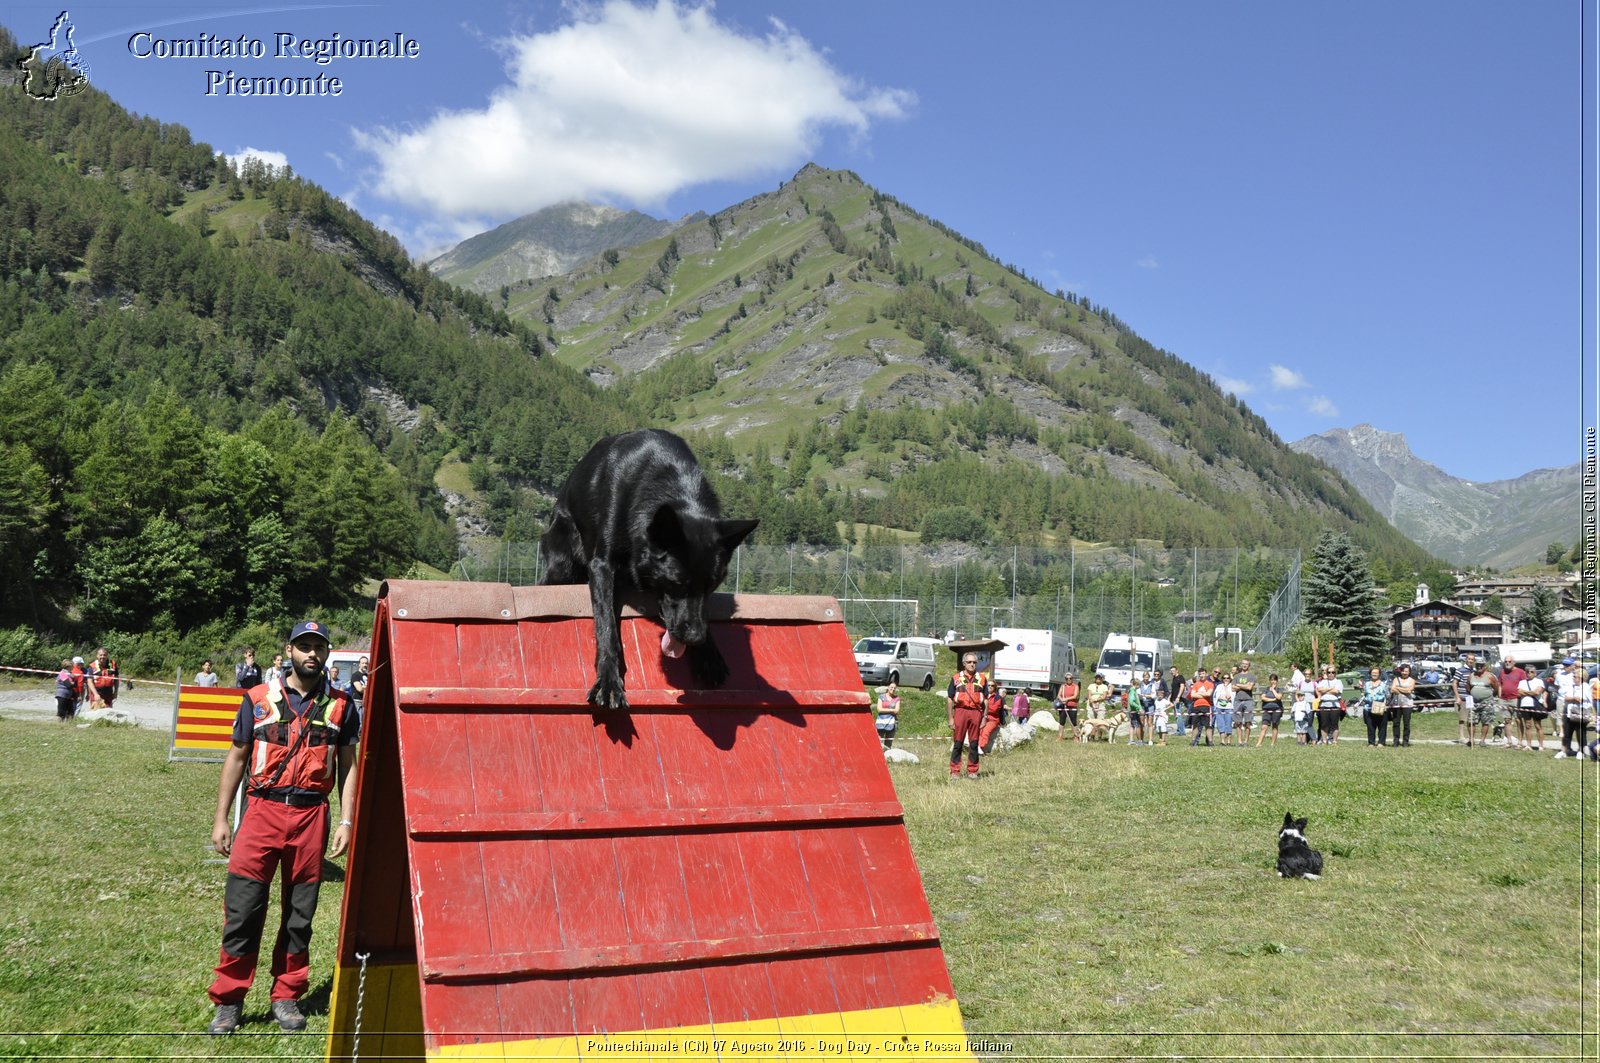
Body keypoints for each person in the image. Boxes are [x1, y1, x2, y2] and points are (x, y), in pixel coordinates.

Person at [206, 620, 359, 1036]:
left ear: (326, 653)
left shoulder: (343, 706)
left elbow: (348, 767)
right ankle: (229, 999)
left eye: (319, 647)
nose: (312, 653)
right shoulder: (258, 699)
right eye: (304, 646)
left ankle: (286, 995)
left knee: (299, 915)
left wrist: (346, 820)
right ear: (289, 651)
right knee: (242, 911)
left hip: (312, 816)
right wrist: (222, 818)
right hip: (261, 813)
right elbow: (236, 759)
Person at [946, 652, 988, 780]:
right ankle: (955, 771)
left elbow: (986, 699)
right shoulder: (956, 678)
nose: (972, 664)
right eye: (969, 662)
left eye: (974, 662)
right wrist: (950, 718)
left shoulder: (982, 678)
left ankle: (973, 770)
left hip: (976, 712)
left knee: (974, 742)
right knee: (958, 742)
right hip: (960, 711)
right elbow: (949, 699)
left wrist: (985, 717)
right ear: (964, 663)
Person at [1555, 659, 1592, 759]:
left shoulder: (1586, 687)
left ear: (1581, 678)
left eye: (1575, 676)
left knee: (1580, 732)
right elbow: (1566, 698)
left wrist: (1574, 699)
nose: (1573, 678)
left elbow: (1582, 699)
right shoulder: (1571, 686)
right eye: (1573, 676)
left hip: (1581, 713)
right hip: (1569, 712)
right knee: (1567, 732)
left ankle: (1581, 751)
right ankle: (1564, 750)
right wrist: (1573, 698)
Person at [1515, 667, 1548, 753]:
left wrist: (1525, 692)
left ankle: (1541, 745)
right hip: (1524, 705)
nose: (1529, 673)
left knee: (1538, 725)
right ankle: (1528, 745)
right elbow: (1519, 692)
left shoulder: (1539, 681)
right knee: (1528, 725)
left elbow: (1537, 692)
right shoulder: (1522, 682)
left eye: (1532, 672)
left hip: (1535, 705)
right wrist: (1530, 692)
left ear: (1535, 673)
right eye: (1527, 672)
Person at [1497, 656, 1528, 749]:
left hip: (1516, 699)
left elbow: (1525, 684)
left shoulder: (1520, 672)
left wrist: (1521, 695)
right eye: (1506, 661)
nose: (1507, 663)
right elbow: (1499, 685)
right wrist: (1499, 696)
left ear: (1514, 662)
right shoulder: (1502, 672)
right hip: (1504, 699)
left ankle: (1520, 742)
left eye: (1509, 661)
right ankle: (1509, 741)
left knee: (1518, 720)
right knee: (1507, 721)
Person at [1468, 659, 1499, 747]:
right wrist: (1473, 693)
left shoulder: (1490, 676)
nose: (1479, 667)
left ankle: (1482, 740)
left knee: (1485, 721)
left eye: (1481, 665)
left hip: (1487, 702)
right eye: (1477, 665)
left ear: (1485, 666)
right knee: (1471, 721)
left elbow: (1496, 688)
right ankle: (1471, 740)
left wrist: (1490, 696)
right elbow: (1468, 687)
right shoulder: (1471, 676)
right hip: (1474, 702)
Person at [1452, 654, 1479, 746]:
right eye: (1469, 659)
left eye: (1472, 659)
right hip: (1462, 697)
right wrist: (1457, 697)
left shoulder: (1475, 671)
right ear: (1466, 660)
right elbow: (1454, 683)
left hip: (1471, 697)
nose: (1470, 661)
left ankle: (1470, 737)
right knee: (1462, 718)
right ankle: (1461, 736)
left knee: (1471, 718)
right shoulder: (1460, 670)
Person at [1314, 665, 1344, 744]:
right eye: (1329, 672)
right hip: (1324, 705)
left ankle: (1334, 741)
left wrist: (1325, 690)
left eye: (1333, 672)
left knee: (1334, 724)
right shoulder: (1323, 681)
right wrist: (1330, 689)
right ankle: (1324, 740)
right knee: (1324, 724)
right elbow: (1319, 689)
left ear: (1335, 673)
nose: (1330, 674)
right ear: (1326, 673)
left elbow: (1336, 691)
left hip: (1335, 705)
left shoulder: (1338, 682)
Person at [1388, 663, 1416, 747]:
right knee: (1396, 723)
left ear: (1409, 672)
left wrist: (1398, 688)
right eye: (1403, 671)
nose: (1404, 673)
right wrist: (1404, 689)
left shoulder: (1412, 680)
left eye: (1406, 671)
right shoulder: (1396, 679)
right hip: (1397, 704)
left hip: (1407, 704)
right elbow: (1392, 689)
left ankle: (1405, 741)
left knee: (1406, 723)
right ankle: (1396, 741)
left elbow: (1409, 691)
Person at [1361, 666, 1389, 747]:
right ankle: (1371, 742)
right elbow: (1364, 694)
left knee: (1382, 726)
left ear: (1379, 674)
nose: (1374, 674)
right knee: (1370, 726)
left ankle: (1381, 742)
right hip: (1368, 708)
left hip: (1380, 708)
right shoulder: (1366, 684)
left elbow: (1387, 695)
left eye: (1376, 673)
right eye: (1373, 673)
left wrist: (1384, 705)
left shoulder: (1384, 684)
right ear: (1370, 674)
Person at [1187, 668, 1215, 746]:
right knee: (1195, 725)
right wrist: (1203, 693)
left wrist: (1198, 693)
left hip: (1206, 706)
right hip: (1196, 706)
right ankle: (1193, 741)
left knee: (1208, 725)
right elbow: (1192, 695)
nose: (1201, 675)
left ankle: (1210, 742)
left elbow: (1209, 694)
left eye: (1203, 673)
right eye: (1200, 674)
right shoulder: (1196, 684)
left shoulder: (1210, 684)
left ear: (1206, 674)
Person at [1256, 673, 1285, 747]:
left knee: (1274, 725)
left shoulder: (1279, 689)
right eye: (1272, 680)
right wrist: (1272, 699)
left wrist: (1273, 690)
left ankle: (1273, 743)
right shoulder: (1265, 689)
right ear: (1269, 681)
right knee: (1264, 726)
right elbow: (1263, 698)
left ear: (1277, 681)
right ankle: (1259, 743)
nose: (1273, 681)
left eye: (1274, 680)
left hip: (1277, 709)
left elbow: (1278, 697)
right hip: (1267, 709)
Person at [1233, 660, 1256, 748]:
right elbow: (1233, 688)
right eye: (1243, 664)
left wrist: (1239, 685)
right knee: (1238, 722)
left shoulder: (1251, 676)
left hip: (1248, 700)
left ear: (1249, 666)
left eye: (1246, 664)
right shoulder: (1236, 676)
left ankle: (1246, 741)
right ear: (1241, 665)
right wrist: (1244, 686)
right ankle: (1239, 741)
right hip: (1238, 700)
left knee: (1248, 722)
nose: (1244, 665)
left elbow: (1250, 687)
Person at [875, 680, 901, 750]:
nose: (893, 689)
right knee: (879, 742)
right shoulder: (881, 697)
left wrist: (884, 710)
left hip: (892, 723)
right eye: (891, 687)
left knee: (888, 743)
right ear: (888, 687)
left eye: (894, 688)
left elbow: (897, 711)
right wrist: (892, 710)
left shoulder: (897, 698)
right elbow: (879, 709)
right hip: (881, 722)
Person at [1055, 672, 1079, 741]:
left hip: (1072, 706)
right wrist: (1061, 699)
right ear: (1065, 679)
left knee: (1073, 722)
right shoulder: (1063, 686)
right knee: (1061, 721)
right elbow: (1059, 695)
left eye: (1070, 678)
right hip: (1063, 706)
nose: (1069, 680)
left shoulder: (1075, 686)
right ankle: (1060, 736)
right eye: (1067, 678)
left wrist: (1067, 699)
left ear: (1072, 679)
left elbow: (1075, 696)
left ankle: (1076, 736)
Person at [1212, 672, 1234, 745]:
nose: (1226, 679)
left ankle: (1228, 741)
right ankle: (1222, 740)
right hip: (1219, 707)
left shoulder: (1232, 686)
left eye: (1227, 678)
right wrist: (1222, 698)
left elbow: (1229, 696)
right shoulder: (1219, 686)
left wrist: (1226, 688)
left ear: (1230, 679)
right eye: (1224, 678)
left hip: (1229, 707)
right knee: (1220, 724)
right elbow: (1216, 696)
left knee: (1228, 723)